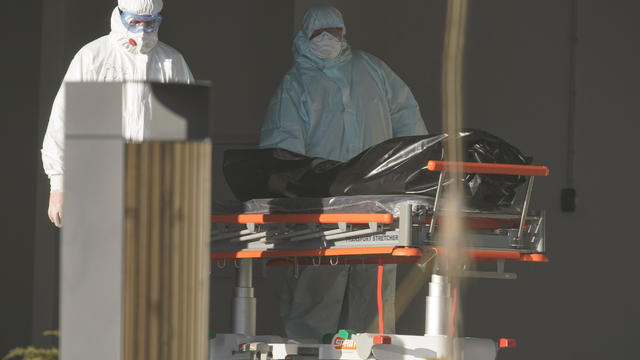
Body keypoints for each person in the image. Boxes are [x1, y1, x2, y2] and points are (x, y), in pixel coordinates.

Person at [260, 5, 428, 340]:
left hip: (378, 202)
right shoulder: (296, 86)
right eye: (319, 35)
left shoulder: (371, 69)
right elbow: (283, 148)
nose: (328, 40)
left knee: (374, 294)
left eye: (334, 33)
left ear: (344, 33)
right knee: (319, 289)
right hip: (323, 206)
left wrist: (414, 170)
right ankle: (308, 350)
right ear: (304, 38)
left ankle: (373, 350)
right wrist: (294, 194)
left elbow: (408, 120)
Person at [42, 0, 194, 227]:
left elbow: (190, 132)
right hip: (98, 185)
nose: (142, 31)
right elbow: (63, 120)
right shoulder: (93, 57)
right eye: (134, 22)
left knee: (150, 259)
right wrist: (58, 186)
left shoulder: (172, 63)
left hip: (156, 190)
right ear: (121, 15)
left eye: (150, 23)